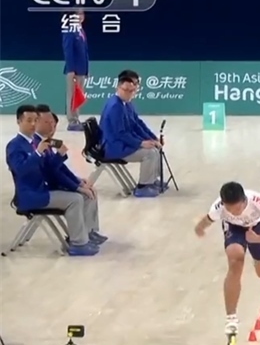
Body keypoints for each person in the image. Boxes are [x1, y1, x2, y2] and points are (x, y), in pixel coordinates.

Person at [193, 182, 260, 345]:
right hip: (234, 228)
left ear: (244, 200)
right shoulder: (218, 207)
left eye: (237, 209)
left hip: (257, 226)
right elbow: (207, 220)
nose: (234, 212)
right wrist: (199, 228)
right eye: (230, 210)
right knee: (235, 261)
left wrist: (259, 239)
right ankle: (231, 319)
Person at [5, 105, 103, 256]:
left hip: (44, 189)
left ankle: (86, 234)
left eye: (35, 120)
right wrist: (38, 153)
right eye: (29, 120)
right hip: (32, 195)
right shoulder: (15, 146)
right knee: (75, 199)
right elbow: (21, 170)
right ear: (19, 121)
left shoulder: (37, 143)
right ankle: (78, 243)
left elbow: (50, 168)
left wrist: (61, 158)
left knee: (84, 196)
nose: (33, 124)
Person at [33, 104, 105, 244]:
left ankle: (90, 231)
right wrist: (77, 187)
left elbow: (61, 168)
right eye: (47, 122)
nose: (52, 127)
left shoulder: (48, 141)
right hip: (45, 188)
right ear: (36, 122)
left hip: (52, 184)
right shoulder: (37, 144)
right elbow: (52, 172)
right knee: (82, 196)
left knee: (90, 191)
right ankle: (79, 238)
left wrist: (78, 181)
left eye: (53, 123)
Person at [98, 70, 163, 198]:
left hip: (123, 142)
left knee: (155, 148)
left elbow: (136, 123)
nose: (129, 93)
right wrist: (141, 143)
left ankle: (152, 180)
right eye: (126, 90)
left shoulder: (127, 103)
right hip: (115, 146)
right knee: (149, 153)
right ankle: (143, 186)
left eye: (132, 91)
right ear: (118, 87)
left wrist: (152, 138)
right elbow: (120, 134)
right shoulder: (115, 106)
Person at [62, 9, 89, 131]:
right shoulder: (69, 31)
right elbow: (68, 52)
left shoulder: (80, 31)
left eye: (82, 14)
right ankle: (72, 121)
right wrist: (71, 69)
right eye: (77, 14)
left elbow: (84, 53)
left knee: (78, 96)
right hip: (74, 70)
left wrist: (86, 70)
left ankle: (76, 119)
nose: (80, 16)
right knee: (72, 95)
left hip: (81, 70)